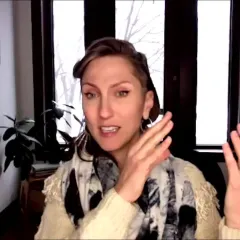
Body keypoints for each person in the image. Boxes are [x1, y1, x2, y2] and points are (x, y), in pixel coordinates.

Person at [34, 37, 240, 239]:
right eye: (91, 94)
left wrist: (235, 225)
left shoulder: (187, 181)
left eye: (121, 93)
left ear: (147, 103)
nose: (104, 112)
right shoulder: (66, 183)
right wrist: (121, 196)